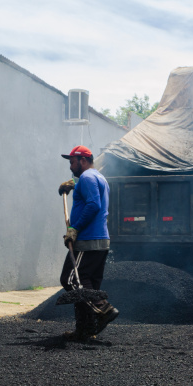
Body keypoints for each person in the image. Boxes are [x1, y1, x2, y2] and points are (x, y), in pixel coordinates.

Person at [58, 145, 119, 340]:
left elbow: (93, 204)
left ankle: (103, 308)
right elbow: (91, 196)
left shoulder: (87, 178)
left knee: (70, 279)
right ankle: (86, 330)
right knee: (89, 283)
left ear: (83, 160)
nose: (70, 166)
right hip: (100, 240)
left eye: (72, 162)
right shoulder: (98, 178)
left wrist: (74, 229)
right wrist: (74, 185)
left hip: (88, 240)